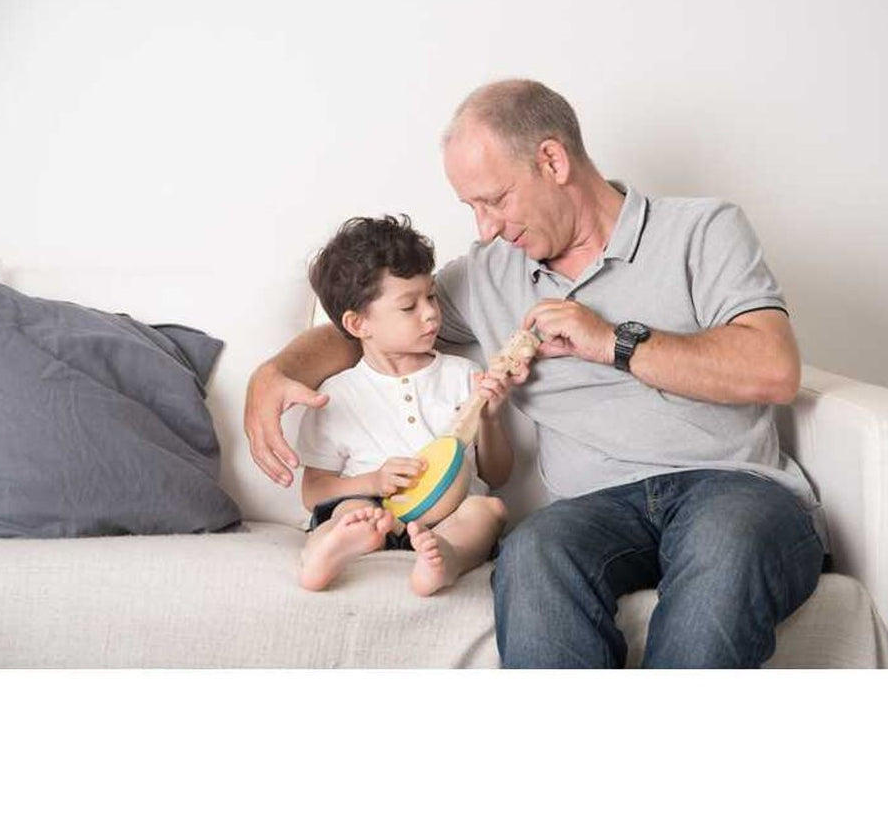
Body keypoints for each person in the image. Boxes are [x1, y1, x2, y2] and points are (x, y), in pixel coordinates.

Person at [245, 79, 827, 667]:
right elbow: (367, 329)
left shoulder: (701, 231)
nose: (485, 228)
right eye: (471, 208)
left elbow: (773, 368)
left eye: (494, 199)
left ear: (552, 160)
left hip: (730, 490)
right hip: (594, 509)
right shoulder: (490, 273)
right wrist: (273, 374)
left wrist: (612, 342)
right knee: (532, 554)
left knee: (726, 548)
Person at [294, 214, 512, 596]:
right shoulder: (338, 395)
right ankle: (322, 555)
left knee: (488, 511)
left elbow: (498, 475)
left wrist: (490, 419)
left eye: (431, 296)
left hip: (449, 517)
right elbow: (313, 491)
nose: (430, 313)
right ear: (359, 324)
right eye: (409, 306)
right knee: (349, 514)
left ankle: (445, 559)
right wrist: (373, 481)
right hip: (376, 513)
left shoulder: (463, 375)